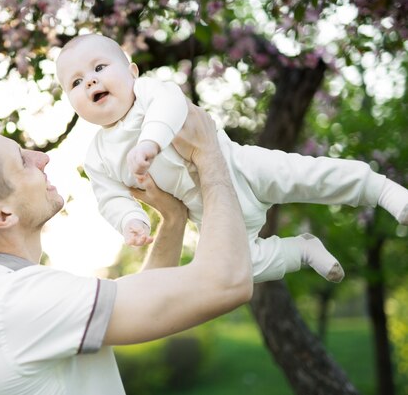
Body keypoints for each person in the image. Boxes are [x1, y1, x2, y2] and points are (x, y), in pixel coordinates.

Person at [0, 103, 253, 395]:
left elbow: (147, 302)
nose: (41, 158)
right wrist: (209, 156)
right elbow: (226, 283)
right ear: (0, 215)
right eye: (22, 161)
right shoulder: (15, 302)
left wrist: (173, 219)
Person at [55, 33, 408, 283]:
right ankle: (300, 252)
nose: (89, 81)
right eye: (75, 82)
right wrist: (131, 221)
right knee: (233, 266)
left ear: (132, 72)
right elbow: (110, 197)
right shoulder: (97, 156)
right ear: (71, 101)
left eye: (99, 67)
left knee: (307, 174)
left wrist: (150, 143)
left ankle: (380, 190)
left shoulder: (148, 92)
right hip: (206, 209)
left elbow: (171, 106)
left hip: (240, 166)